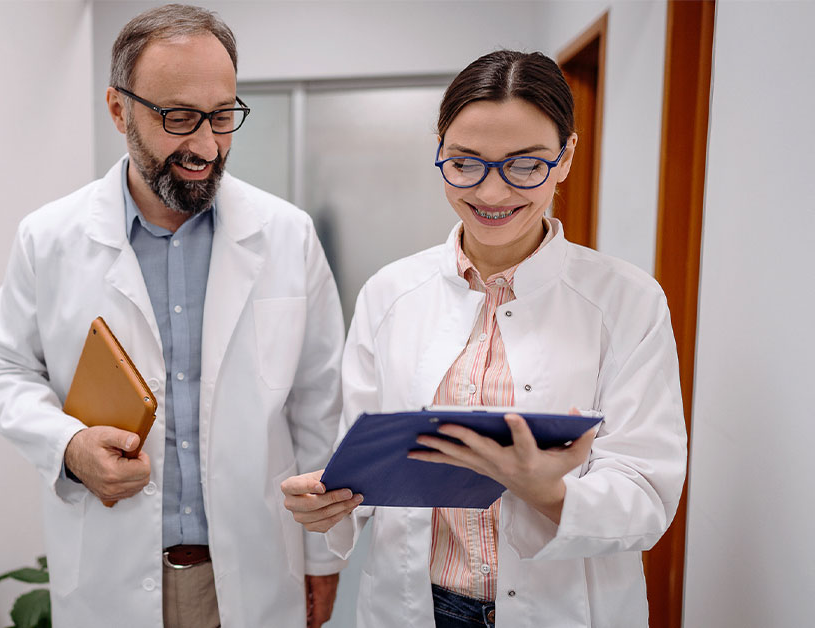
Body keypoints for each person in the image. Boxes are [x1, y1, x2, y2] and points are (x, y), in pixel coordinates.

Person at [281, 50, 688, 628]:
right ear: (440, 153)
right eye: (467, 163)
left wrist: (550, 493)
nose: (492, 194)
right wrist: (330, 501)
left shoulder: (626, 301)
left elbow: (648, 494)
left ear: (566, 157)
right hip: (416, 605)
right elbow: (365, 461)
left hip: (563, 607)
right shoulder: (389, 292)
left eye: (525, 166)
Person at [0, 5, 346, 627]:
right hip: (112, 574)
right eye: (178, 118)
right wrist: (68, 446)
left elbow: (318, 405)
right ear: (119, 110)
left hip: (253, 572)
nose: (205, 145)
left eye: (223, 116)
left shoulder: (287, 235)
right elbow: (0, 369)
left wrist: (322, 560)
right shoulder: (51, 238)